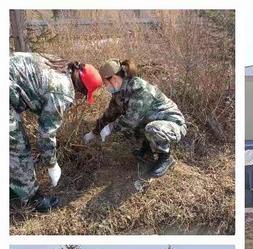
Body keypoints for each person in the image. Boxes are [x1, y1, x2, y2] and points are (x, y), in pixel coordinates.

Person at [10, 52, 102, 212]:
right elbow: (46, 134)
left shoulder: (61, 64)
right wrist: (52, 164)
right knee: (18, 148)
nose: (80, 99)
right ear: (80, 87)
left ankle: (14, 186)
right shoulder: (62, 92)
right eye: (84, 95)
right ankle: (33, 199)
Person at [84, 59, 187, 178]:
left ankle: (165, 157)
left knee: (150, 128)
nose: (105, 87)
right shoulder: (120, 91)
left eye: (105, 83)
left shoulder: (139, 90)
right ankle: (148, 149)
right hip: (154, 121)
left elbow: (130, 121)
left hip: (172, 123)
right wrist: (94, 132)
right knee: (141, 126)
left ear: (114, 79)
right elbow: (110, 114)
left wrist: (110, 128)